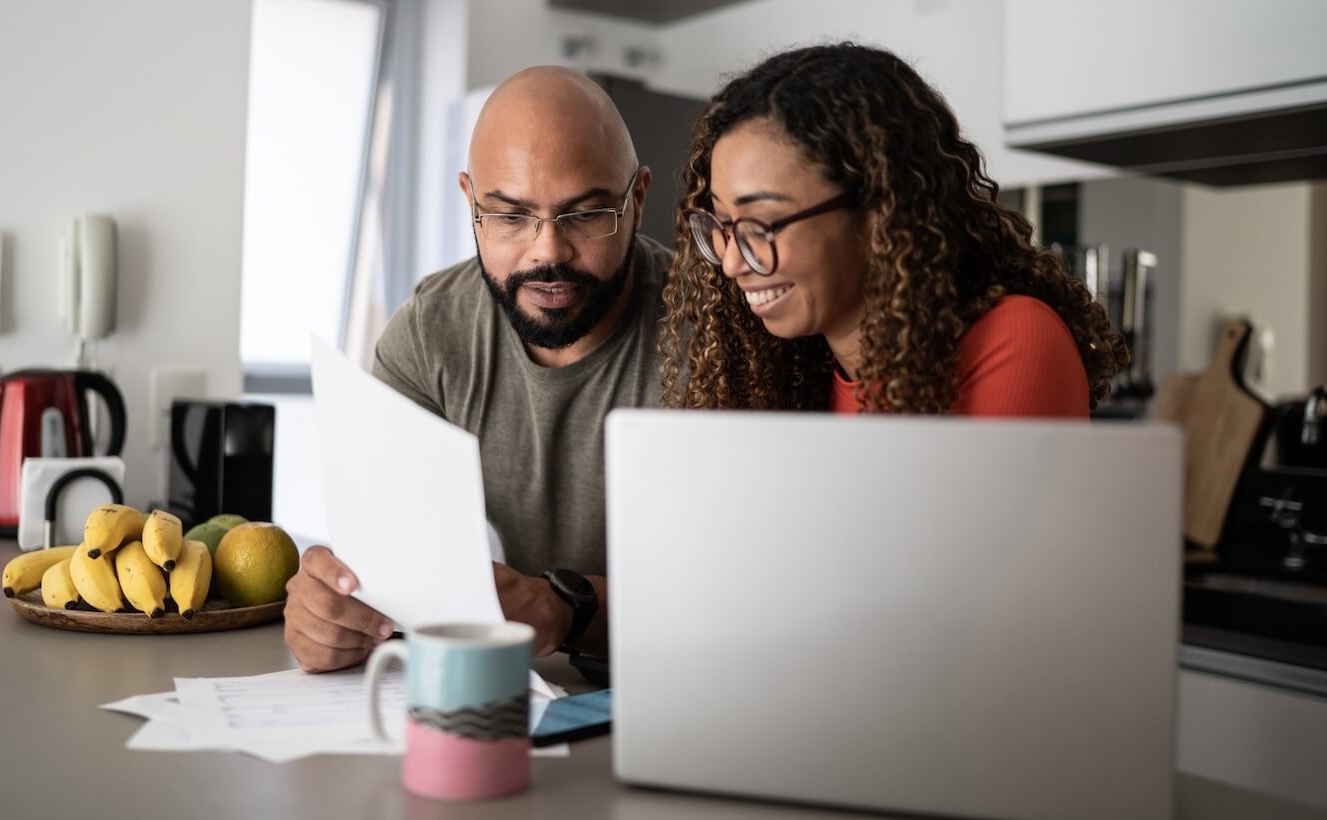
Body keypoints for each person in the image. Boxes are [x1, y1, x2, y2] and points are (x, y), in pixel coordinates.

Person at [285, 67, 670, 672]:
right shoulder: (430, 332)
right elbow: (386, 565)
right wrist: (334, 612)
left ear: (638, 200)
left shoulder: (717, 335)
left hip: (693, 690)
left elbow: (751, 590)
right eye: (510, 217)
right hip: (516, 697)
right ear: (470, 202)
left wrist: (562, 607)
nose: (547, 251)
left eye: (586, 214)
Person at [660, 43, 1127, 416]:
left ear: (877, 213)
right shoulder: (791, 372)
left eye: (761, 224)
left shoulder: (1014, 341)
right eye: (722, 225)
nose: (731, 261)